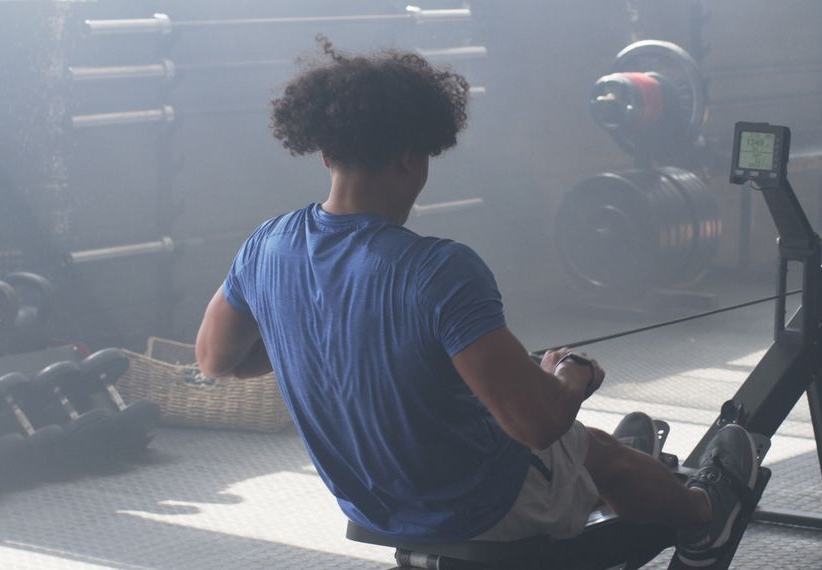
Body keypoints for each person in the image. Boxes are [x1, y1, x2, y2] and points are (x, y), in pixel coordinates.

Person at [195, 38, 758, 567]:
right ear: (411, 160)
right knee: (584, 446)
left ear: (326, 155)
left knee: (574, 451)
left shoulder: (266, 246)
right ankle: (706, 519)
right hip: (480, 508)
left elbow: (216, 359)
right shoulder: (437, 267)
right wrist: (571, 376)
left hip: (374, 506)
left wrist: (321, 334)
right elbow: (535, 423)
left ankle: (602, 482)